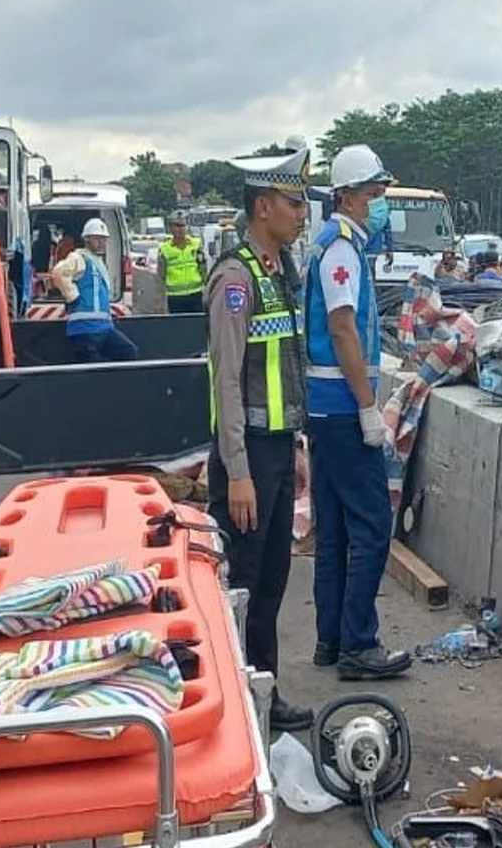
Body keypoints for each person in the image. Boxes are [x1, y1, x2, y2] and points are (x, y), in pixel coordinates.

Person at [204, 149, 315, 732]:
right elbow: (226, 380)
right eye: (294, 203)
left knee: (272, 581)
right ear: (263, 207)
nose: (302, 214)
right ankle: (233, 704)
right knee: (242, 586)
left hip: (274, 449)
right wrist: (239, 470)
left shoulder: (280, 274)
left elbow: (282, 370)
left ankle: (263, 696)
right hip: (246, 458)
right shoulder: (237, 279)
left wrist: (293, 445)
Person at [305, 143, 412, 682]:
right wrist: (369, 408)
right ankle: (358, 644)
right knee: (372, 525)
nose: (379, 204)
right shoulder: (342, 249)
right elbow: (343, 328)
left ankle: (331, 638)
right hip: (344, 409)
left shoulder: (331, 244)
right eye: (374, 194)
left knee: (336, 529)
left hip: (326, 410)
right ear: (348, 196)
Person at [49, 218, 139, 362]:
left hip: (103, 327)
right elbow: (59, 272)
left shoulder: (98, 262)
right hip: (83, 330)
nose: (101, 243)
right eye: (97, 239)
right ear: (86, 239)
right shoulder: (79, 257)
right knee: (97, 370)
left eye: (103, 239)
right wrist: (72, 296)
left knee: (129, 352)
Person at [160, 215, 207, 314]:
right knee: (179, 326)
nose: (180, 229)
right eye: (177, 226)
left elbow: (203, 268)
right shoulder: (164, 249)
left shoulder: (196, 244)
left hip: (195, 294)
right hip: (175, 297)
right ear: (171, 229)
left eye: (183, 225)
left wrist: (207, 290)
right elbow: (161, 275)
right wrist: (160, 300)